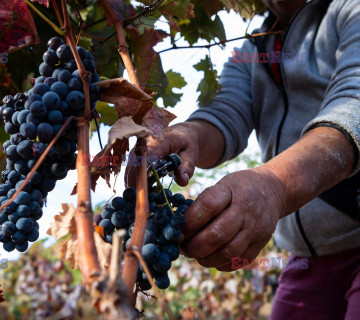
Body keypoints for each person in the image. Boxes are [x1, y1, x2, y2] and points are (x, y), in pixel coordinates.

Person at [127, 0, 360, 318]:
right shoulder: (253, 47)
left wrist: (276, 185)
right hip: (306, 257)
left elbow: (355, 105)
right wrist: (189, 134)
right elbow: (227, 112)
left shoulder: (350, 9)